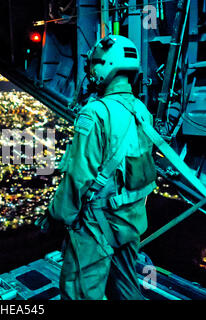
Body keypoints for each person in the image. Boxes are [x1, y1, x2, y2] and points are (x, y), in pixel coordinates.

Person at [43, 35, 157, 300]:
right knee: (126, 287)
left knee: (79, 292)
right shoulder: (141, 110)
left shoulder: (95, 113)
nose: (91, 72)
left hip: (97, 224)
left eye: (94, 65)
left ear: (106, 65)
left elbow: (77, 177)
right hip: (131, 218)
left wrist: (57, 215)